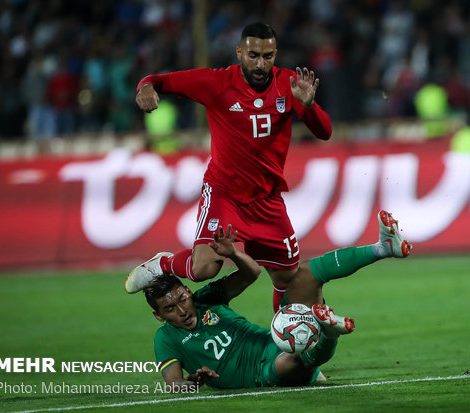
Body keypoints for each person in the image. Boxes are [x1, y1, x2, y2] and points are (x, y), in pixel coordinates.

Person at [130, 22, 333, 312]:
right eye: (253, 55)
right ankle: (161, 264)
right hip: (225, 194)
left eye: (268, 56)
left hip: (267, 201)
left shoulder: (289, 83)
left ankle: (283, 340)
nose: (260, 63)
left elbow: (324, 133)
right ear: (239, 53)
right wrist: (145, 88)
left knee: (288, 277)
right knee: (204, 268)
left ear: (275, 54)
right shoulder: (216, 83)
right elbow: (157, 80)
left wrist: (310, 107)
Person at [139, 211, 412, 390]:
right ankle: (328, 333)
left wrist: (233, 254)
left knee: (300, 275)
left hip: (274, 341)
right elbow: (172, 383)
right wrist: (191, 381)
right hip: (263, 373)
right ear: (159, 316)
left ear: (188, 291)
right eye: (170, 309)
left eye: (182, 300)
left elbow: (252, 273)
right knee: (291, 360)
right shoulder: (166, 338)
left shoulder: (206, 299)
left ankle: (382, 248)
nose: (182, 310)